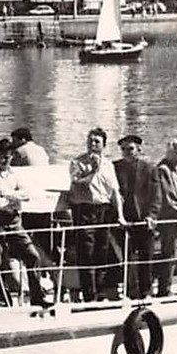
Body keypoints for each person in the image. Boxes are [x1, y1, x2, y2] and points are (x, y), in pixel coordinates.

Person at [0, 139, 46, 305]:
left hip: (14, 221)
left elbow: (27, 194)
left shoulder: (15, 174)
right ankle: (3, 296)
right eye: (2, 157)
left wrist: (7, 195)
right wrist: (13, 197)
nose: (5, 160)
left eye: (8, 157)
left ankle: (37, 297)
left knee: (32, 255)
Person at [67, 128, 125, 302]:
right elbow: (77, 183)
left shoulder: (108, 165)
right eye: (90, 140)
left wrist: (120, 216)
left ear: (103, 145)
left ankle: (100, 292)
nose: (92, 144)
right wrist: (92, 170)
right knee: (86, 253)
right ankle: (89, 296)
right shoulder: (77, 162)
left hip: (103, 210)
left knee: (102, 251)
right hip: (84, 210)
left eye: (96, 142)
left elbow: (114, 192)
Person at [113, 134, 160, 299]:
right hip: (124, 219)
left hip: (143, 218)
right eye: (123, 149)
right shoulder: (115, 167)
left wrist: (151, 216)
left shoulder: (149, 169)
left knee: (145, 255)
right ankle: (130, 291)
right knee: (126, 256)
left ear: (139, 150)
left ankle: (146, 291)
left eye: (130, 149)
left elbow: (156, 196)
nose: (126, 152)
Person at [152, 139, 177, 296]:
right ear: (171, 154)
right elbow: (167, 198)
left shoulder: (173, 171)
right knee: (169, 254)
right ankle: (164, 289)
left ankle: (169, 286)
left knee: (174, 254)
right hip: (168, 220)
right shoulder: (163, 170)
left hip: (174, 219)